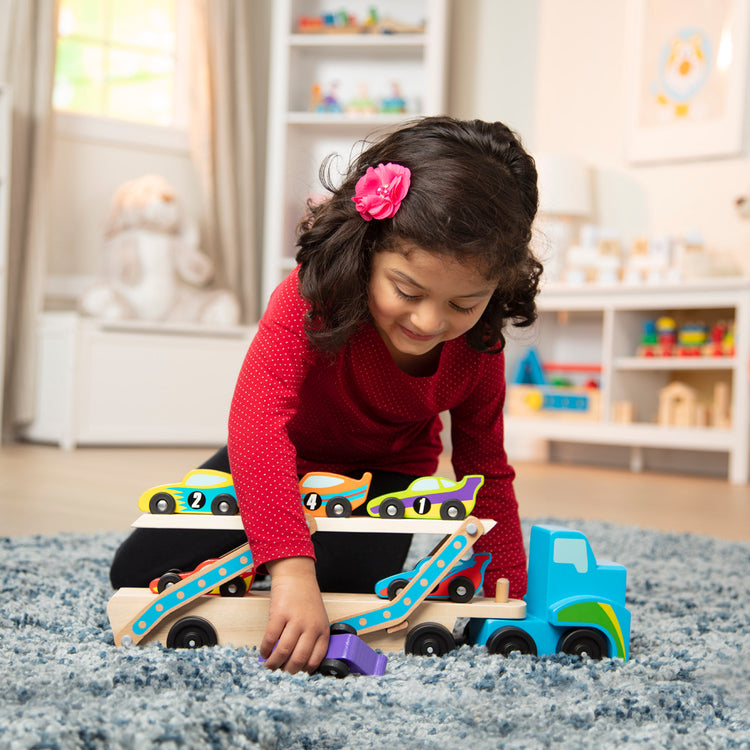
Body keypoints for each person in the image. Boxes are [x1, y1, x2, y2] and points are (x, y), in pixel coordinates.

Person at [110, 115, 542, 675]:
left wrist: (509, 590)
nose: (432, 320)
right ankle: (273, 549)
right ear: (367, 249)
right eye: (407, 290)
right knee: (135, 572)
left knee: (346, 595)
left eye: (464, 304)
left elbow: (486, 466)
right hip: (277, 459)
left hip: (384, 479)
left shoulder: (480, 348)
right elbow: (257, 424)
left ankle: (278, 553)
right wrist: (289, 566)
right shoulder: (306, 300)